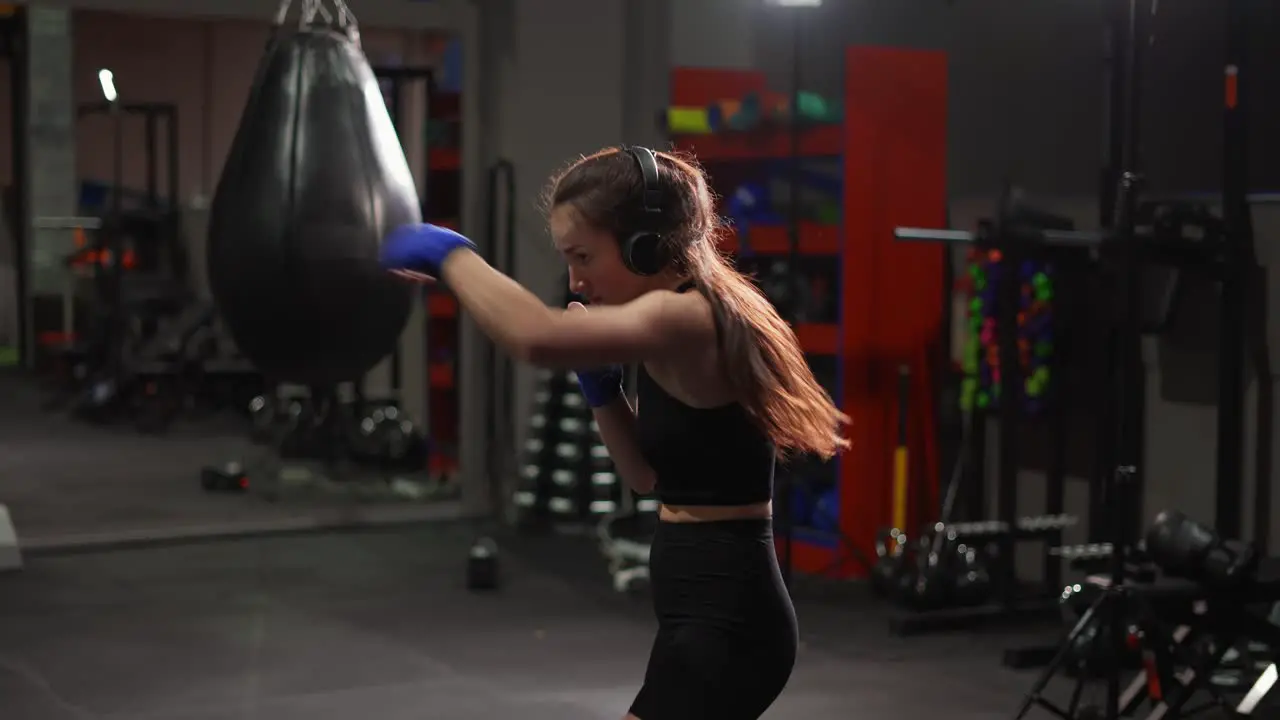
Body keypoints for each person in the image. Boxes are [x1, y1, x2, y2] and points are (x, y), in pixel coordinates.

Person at [381, 146, 849, 720]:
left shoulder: (687, 317)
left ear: (643, 245)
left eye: (583, 256)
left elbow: (535, 338)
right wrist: (603, 392)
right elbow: (646, 476)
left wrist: (449, 255)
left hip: (728, 625)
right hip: (701, 618)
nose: (575, 281)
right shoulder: (670, 321)